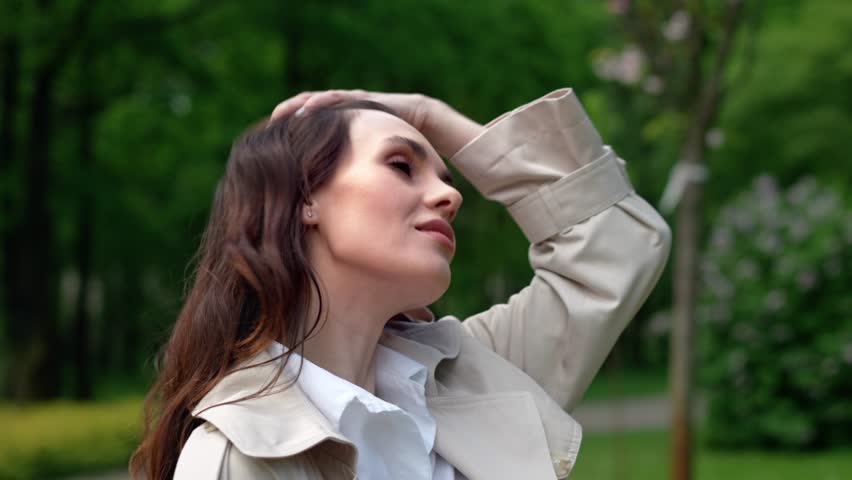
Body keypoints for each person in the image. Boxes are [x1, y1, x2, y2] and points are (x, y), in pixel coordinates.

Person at [130, 88, 671, 480]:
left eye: (444, 176)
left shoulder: (474, 378)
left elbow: (617, 245)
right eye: (401, 165)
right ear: (304, 199)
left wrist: (430, 115)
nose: (451, 196)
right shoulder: (240, 457)